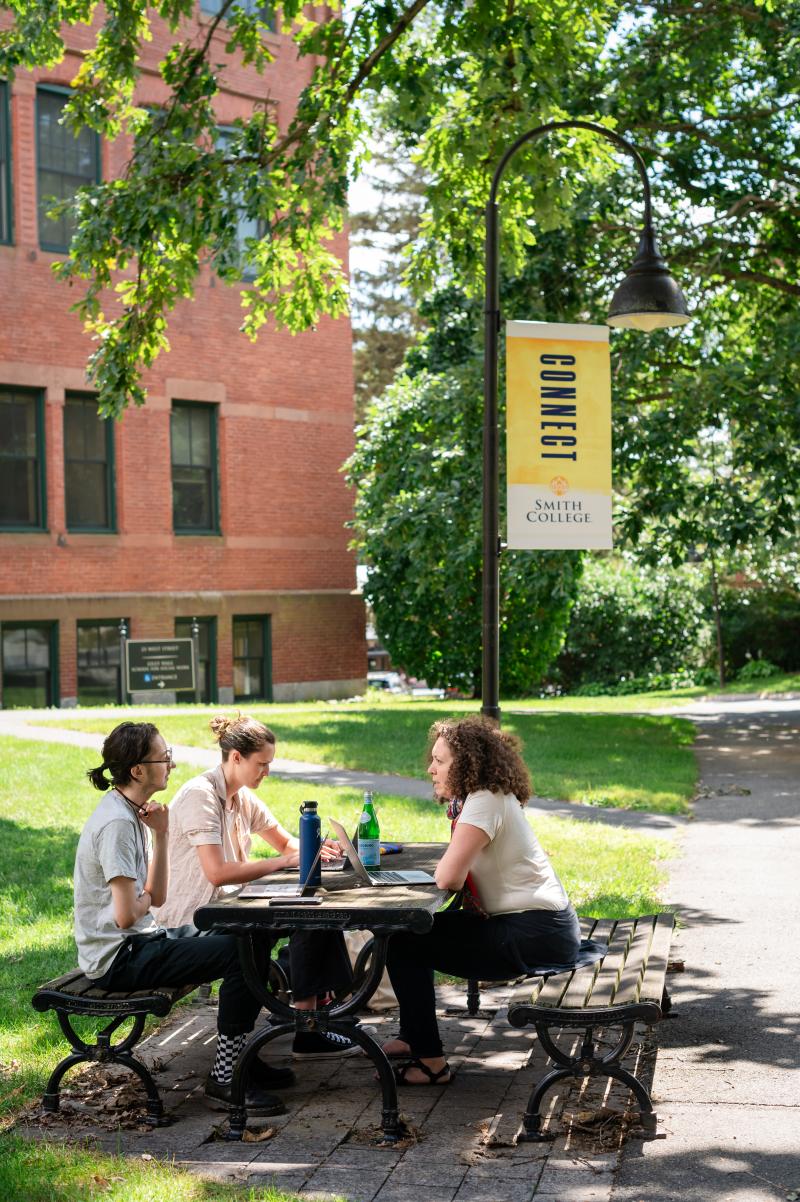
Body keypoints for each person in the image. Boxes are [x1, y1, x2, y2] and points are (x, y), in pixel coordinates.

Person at [76, 722, 289, 1119]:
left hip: (143, 939)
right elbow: (125, 916)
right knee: (237, 951)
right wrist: (142, 900)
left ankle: (239, 1056)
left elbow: (153, 897)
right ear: (138, 770)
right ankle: (225, 1079)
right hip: (118, 958)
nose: (172, 764)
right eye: (164, 757)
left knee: (250, 933)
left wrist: (161, 834)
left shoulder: (135, 814)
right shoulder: (117, 825)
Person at [383, 715, 582, 1086]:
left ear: (467, 763)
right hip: (539, 924)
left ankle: (431, 1064)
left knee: (404, 940)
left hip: (534, 933)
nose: (431, 768)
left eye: (440, 761)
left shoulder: (484, 800)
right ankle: (414, 1036)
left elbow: (448, 877)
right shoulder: (484, 797)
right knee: (408, 936)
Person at [152, 712, 358, 1059]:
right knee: (300, 918)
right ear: (236, 758)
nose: (267, 771)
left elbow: (285, 843)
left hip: (230, 908)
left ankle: (315, 1018)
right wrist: (282, 863)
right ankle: (308, 1024)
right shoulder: (201, 796)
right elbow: (216, 873)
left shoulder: (241, 796)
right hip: (193, 919)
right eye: (262, 764)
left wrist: (321, 851)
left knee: (316, 911)